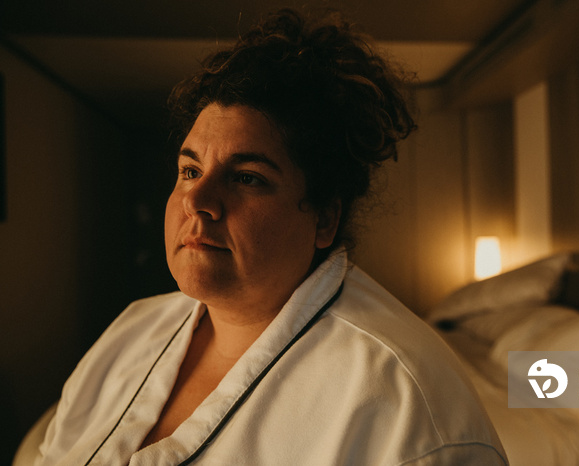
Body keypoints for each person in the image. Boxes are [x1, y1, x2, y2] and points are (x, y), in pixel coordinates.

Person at [28, 8, 507, 465]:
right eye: (190, 170)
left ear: (323, 220)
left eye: (247, 178)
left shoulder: (408, 409)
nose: (198, 201)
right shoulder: (132, 331)